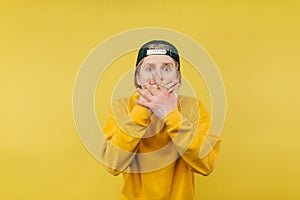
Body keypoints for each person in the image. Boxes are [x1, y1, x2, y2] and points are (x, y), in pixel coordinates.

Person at [100, 40, 222, 200]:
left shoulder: (193, 107)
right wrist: (144, 107)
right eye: (149, 69)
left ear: (177, 76)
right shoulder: (122, 107)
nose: (157, 76)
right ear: (138, 77)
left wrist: (171, 113)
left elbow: (206, 165)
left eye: (166, 68)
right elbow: (113, 165)